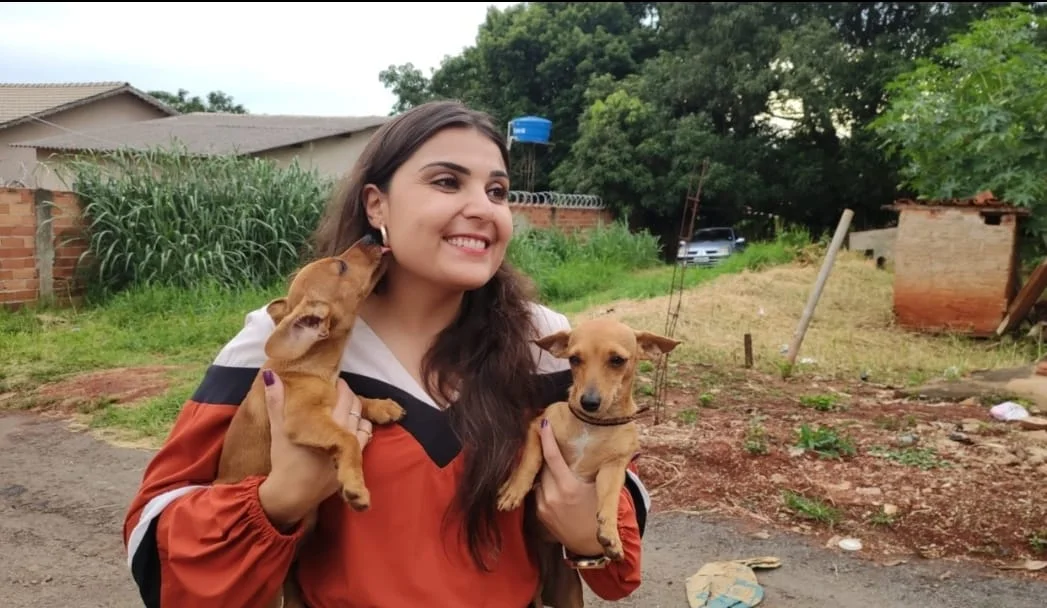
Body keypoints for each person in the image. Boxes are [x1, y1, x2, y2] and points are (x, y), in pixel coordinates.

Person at [122, 100, 651, 607]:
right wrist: (279, 501)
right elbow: (157, 540)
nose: (481, 208)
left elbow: (614, 550)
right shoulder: (285, 342)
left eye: (497, 191)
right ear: (377, 204)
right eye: (447, 182)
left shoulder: (550, 347)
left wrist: (585, 533)